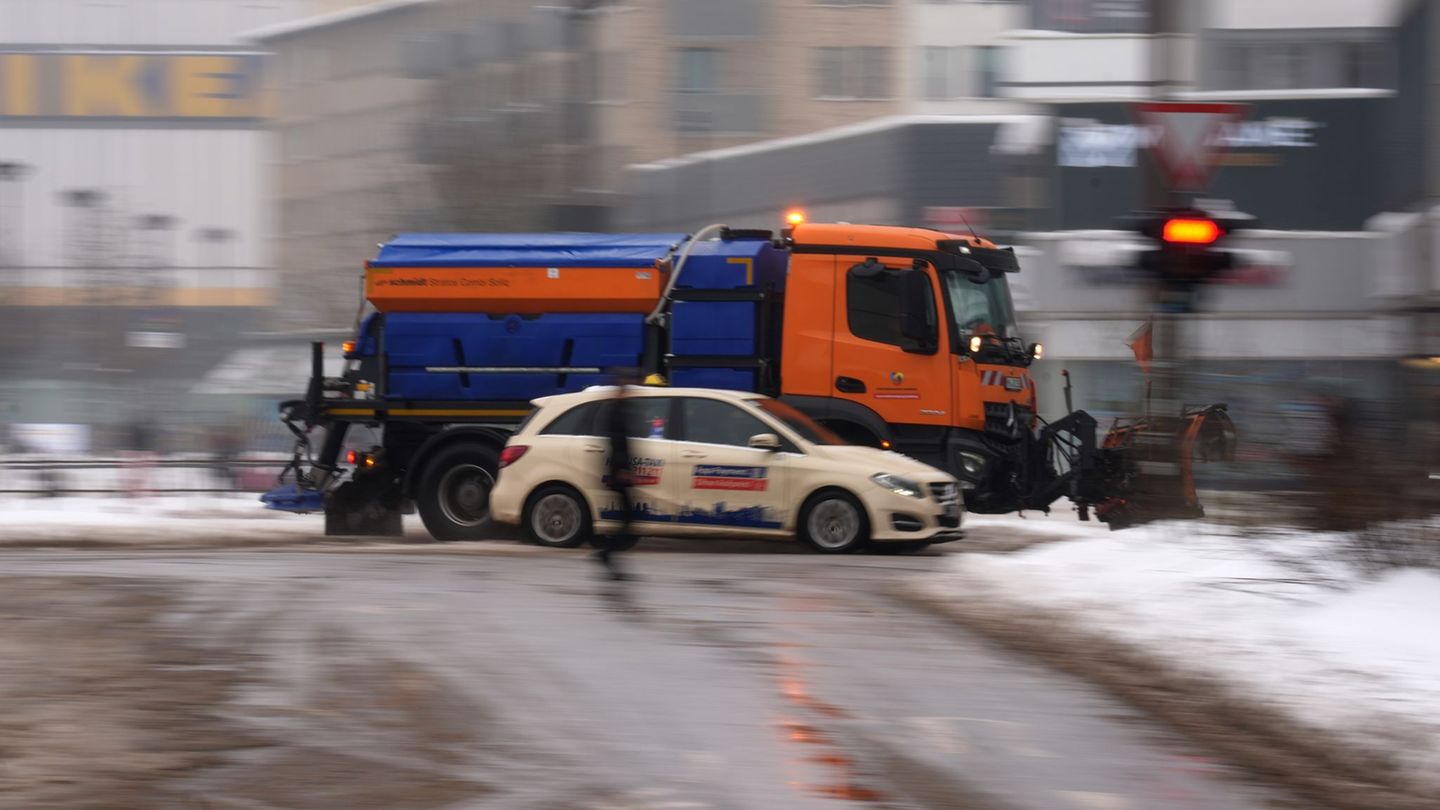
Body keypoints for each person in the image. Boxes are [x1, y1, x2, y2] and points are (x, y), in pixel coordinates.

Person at [594, 373, 639, 581]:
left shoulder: (619, 409)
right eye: (626, 388)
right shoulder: (616, 411)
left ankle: (607, 555)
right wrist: (622, 470)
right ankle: (605, 553)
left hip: (621, 470)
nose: (629, 392)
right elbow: (618, 443)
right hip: (619, 471)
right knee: (628, 519)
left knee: (627, 519)